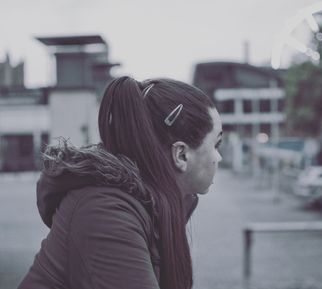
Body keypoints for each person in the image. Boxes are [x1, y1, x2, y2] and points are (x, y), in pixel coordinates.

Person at [17, 76, 223, 289]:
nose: (219, 157)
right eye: (216, 144)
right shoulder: (105, 212)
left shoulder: (154, 206)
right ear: (181, 154)